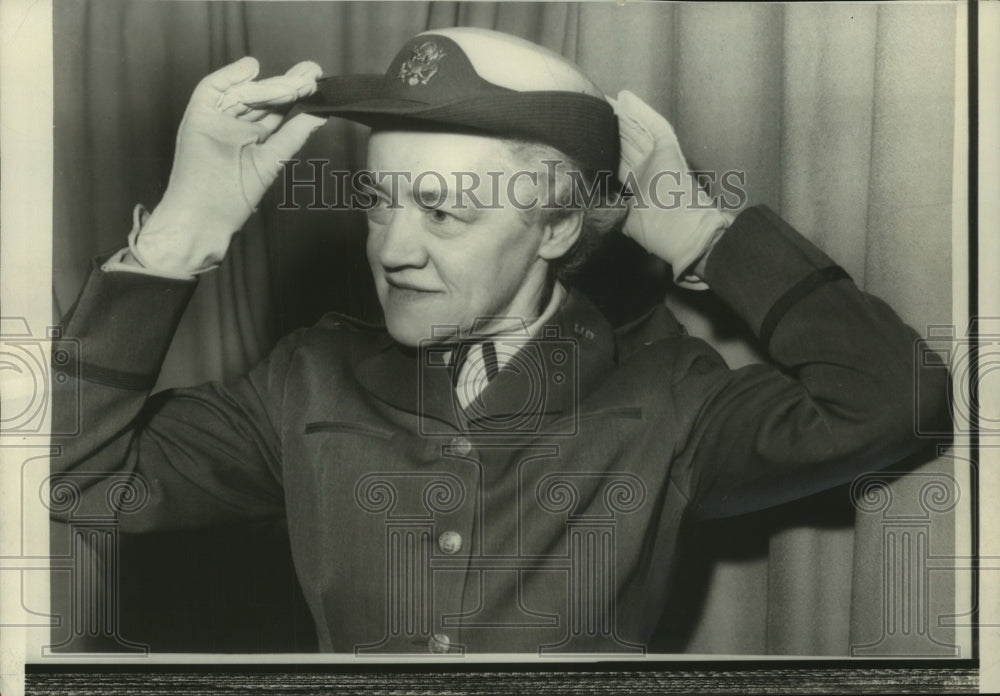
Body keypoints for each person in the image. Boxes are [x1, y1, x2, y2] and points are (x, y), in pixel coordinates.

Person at [51, 27, 950, 654]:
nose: (395, 249)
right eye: (379, 203)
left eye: (443, 212)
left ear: (555, 229)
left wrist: (702, 236)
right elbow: (74, 477)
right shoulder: (308, 379)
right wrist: (179, 236)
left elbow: (894, 400)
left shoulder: (663, 394)